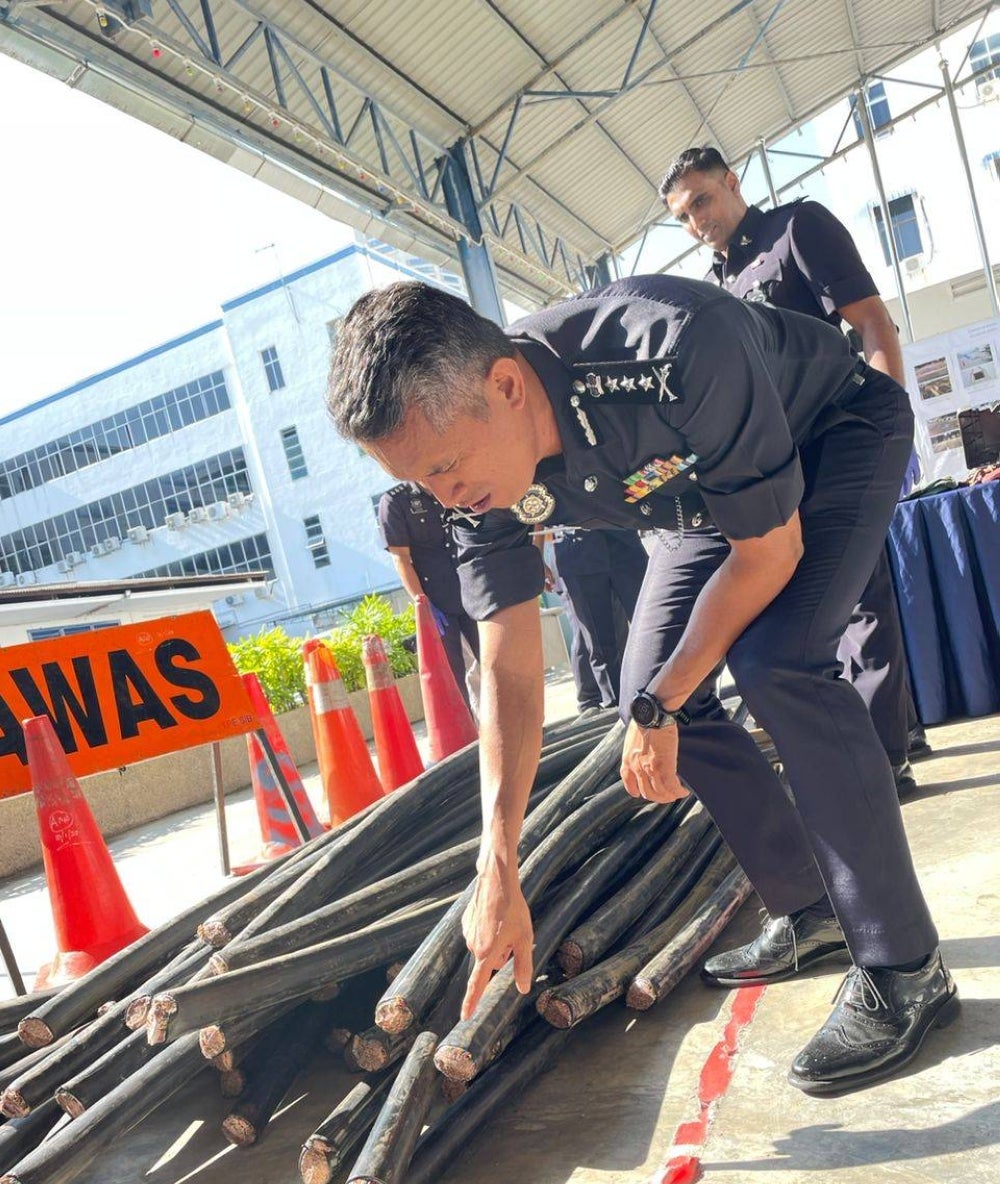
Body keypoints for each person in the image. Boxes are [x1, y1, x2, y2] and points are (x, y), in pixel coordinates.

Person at [328, 278, 957, 1096]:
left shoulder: (672, 348)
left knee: (778, 663)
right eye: (420, 483)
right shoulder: (469, 468)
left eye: (444, 469)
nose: (443, 498)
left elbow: (767, 553)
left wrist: (663, 701)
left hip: (831, 436)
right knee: (648, 695)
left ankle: (905, 965)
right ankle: (813, 911)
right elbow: (511, 661)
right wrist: (499, 860)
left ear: (507, 386)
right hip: (703, 506)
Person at [659, 146, 931, 797]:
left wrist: (891, 427)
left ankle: (887, 759)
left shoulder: (798, 228)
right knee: (801, 615)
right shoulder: (713, 288)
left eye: (702, 200)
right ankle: (869, 741)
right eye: (683, 216)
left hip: (843, 440)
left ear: (731, 183)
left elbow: (870, 320)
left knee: (862, 601)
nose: (697, 220)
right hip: (776, 470)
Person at [377, 481, 479, 710]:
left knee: (493, 665)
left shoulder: (455, 484)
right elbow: (401, 558)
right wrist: (422, 603)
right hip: (438, 600)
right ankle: (470, 737)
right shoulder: (396, 501)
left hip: (473, 590)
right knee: (453, 678)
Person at [542, 527, 648, 713]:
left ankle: (672, 697)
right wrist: (536, 554)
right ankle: (614, 711)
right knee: (600, 645)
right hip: (576, 550)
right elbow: (534, 509)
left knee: (653, 628)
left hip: (622, 539)